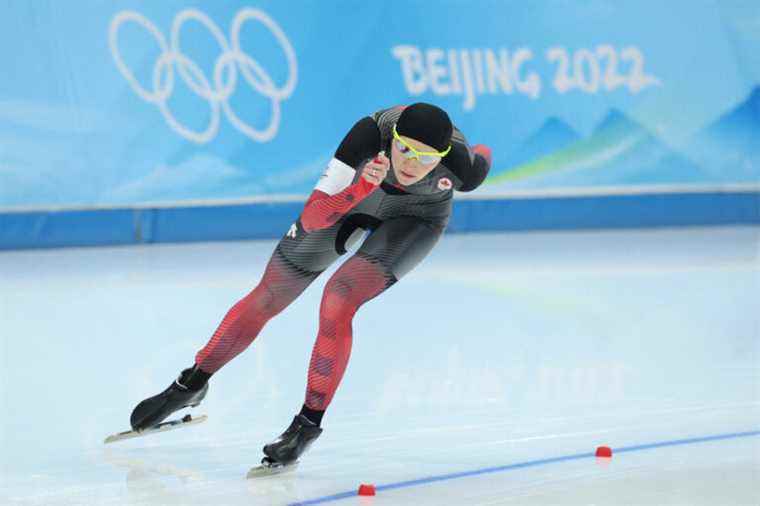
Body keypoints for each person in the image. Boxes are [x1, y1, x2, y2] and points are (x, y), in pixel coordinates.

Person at [129, 102, 492, 469]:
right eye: (404, 150)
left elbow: (482, 157)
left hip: (417, 219)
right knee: (269, 294)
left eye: (426, 158)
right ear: (392, 140)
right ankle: (191, 384)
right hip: (350, 201)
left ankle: (306, 425)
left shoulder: (462, 167)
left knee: (339, 298)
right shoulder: (368, 135)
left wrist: (478, 152)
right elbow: (314, 216)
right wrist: (362, 186)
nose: (412, 164)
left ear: (443, 156)